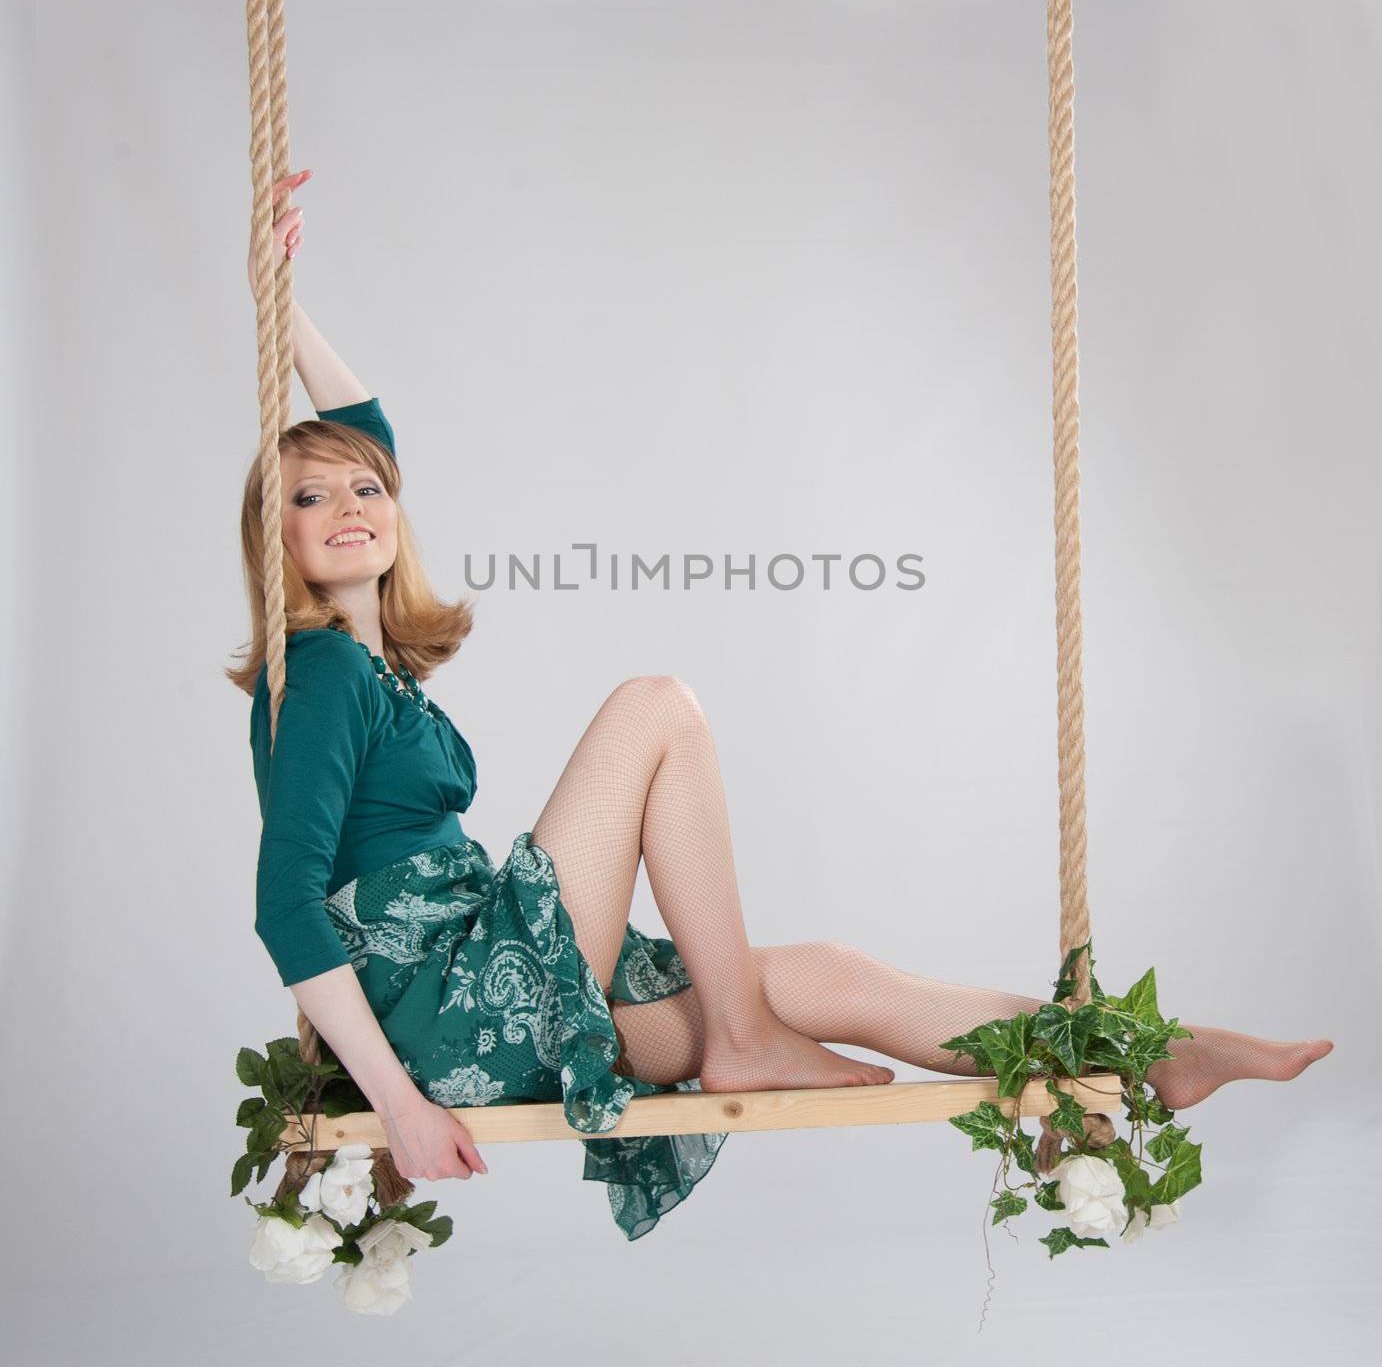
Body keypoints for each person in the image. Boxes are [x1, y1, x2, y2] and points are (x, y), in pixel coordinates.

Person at [230, 167, 1335, 1239]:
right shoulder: (319, 673)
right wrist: (401, 1105)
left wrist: (280, 308)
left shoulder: (377, 668)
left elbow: (363, 427)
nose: (349, 505)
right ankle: (745, 1032)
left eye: (365, 488)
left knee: (838, 976)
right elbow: (287, 903)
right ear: (271, 538)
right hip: (450, 1013)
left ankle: (1148, 1052)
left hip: (489, 988)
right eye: (309, 498)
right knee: (654, 705)